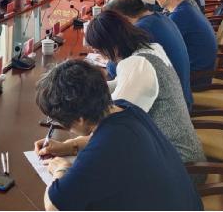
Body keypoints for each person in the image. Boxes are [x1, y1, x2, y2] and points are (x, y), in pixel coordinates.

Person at [34, 59, 203, 211]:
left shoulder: (103, 150)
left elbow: (54, 206)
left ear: (79, 119)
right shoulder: (125, 108)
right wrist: (69, 146)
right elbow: (102, 140)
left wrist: (61, 169)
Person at [82, 10, 205, 168]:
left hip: (179, 166)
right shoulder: (150, 49)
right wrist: (86, 88)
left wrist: (73, 142)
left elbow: (111, 122)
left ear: (113, 45)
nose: (103, 57)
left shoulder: (137, 65)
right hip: (182, 153)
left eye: (100, 51)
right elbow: (119, 84)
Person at [104, 0, 193, 110]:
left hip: (168, 106)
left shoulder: (141, 30)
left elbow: (115, 70)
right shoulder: (161, 17)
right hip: (180, 96)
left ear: (124, 19)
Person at [153, 0, 217, 86]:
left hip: (196, 77)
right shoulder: (185, 8)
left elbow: (160, 47)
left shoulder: (180, 16)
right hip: (201, 70)